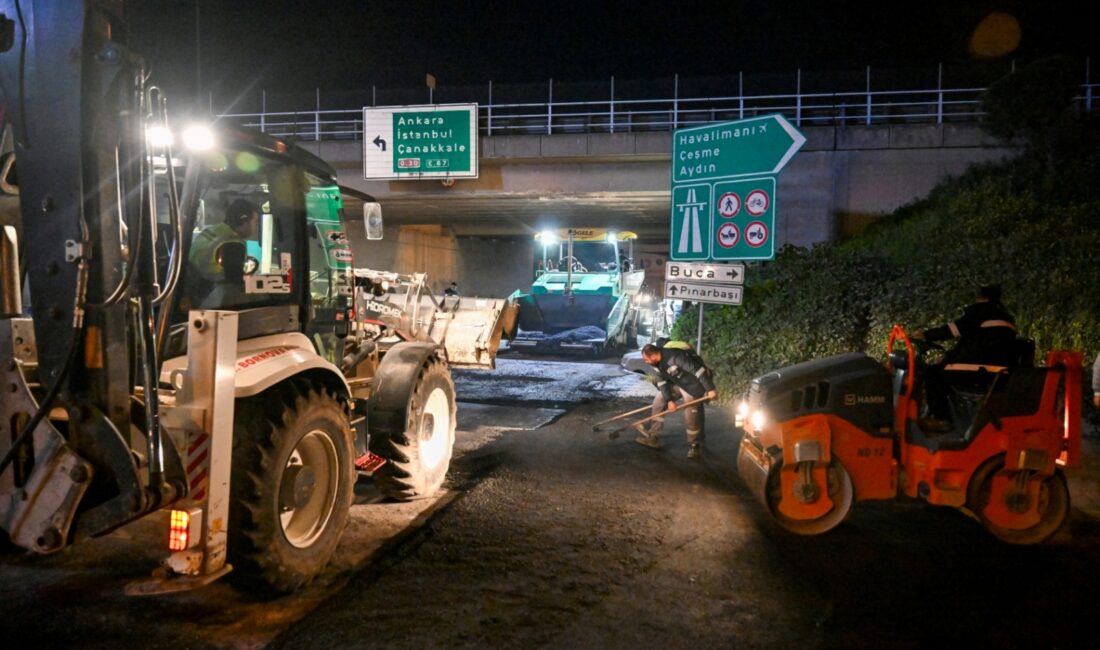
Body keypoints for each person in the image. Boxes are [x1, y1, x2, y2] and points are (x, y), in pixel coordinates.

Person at [912, 284, 1017, 431]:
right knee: (942, 368)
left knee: (933, 373)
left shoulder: (979, 312)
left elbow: (952, 330)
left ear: (981, 297)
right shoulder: (1007, 317)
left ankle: (942, 419)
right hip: (999, 370)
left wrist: (925, 335)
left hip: (978, 367)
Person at [635, 340, 718, 459]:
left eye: (646, 359)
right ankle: (654, 437)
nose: (645, 362)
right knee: (659, 400)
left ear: (653, 355)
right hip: (678, 383)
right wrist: (669, 401)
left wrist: (710, 388)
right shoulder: (655, 366)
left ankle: (694, 445)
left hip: (693, 385)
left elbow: (698, 370)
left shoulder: (674, 356)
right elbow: (663, 384)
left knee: (690, 410)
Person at [189, 199, 259, 283]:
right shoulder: (233, 244)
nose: (255, 228)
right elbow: (237, 284)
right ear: (243, 221)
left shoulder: (209, 231)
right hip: (210, 290)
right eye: (255, 222)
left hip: (191, 285)